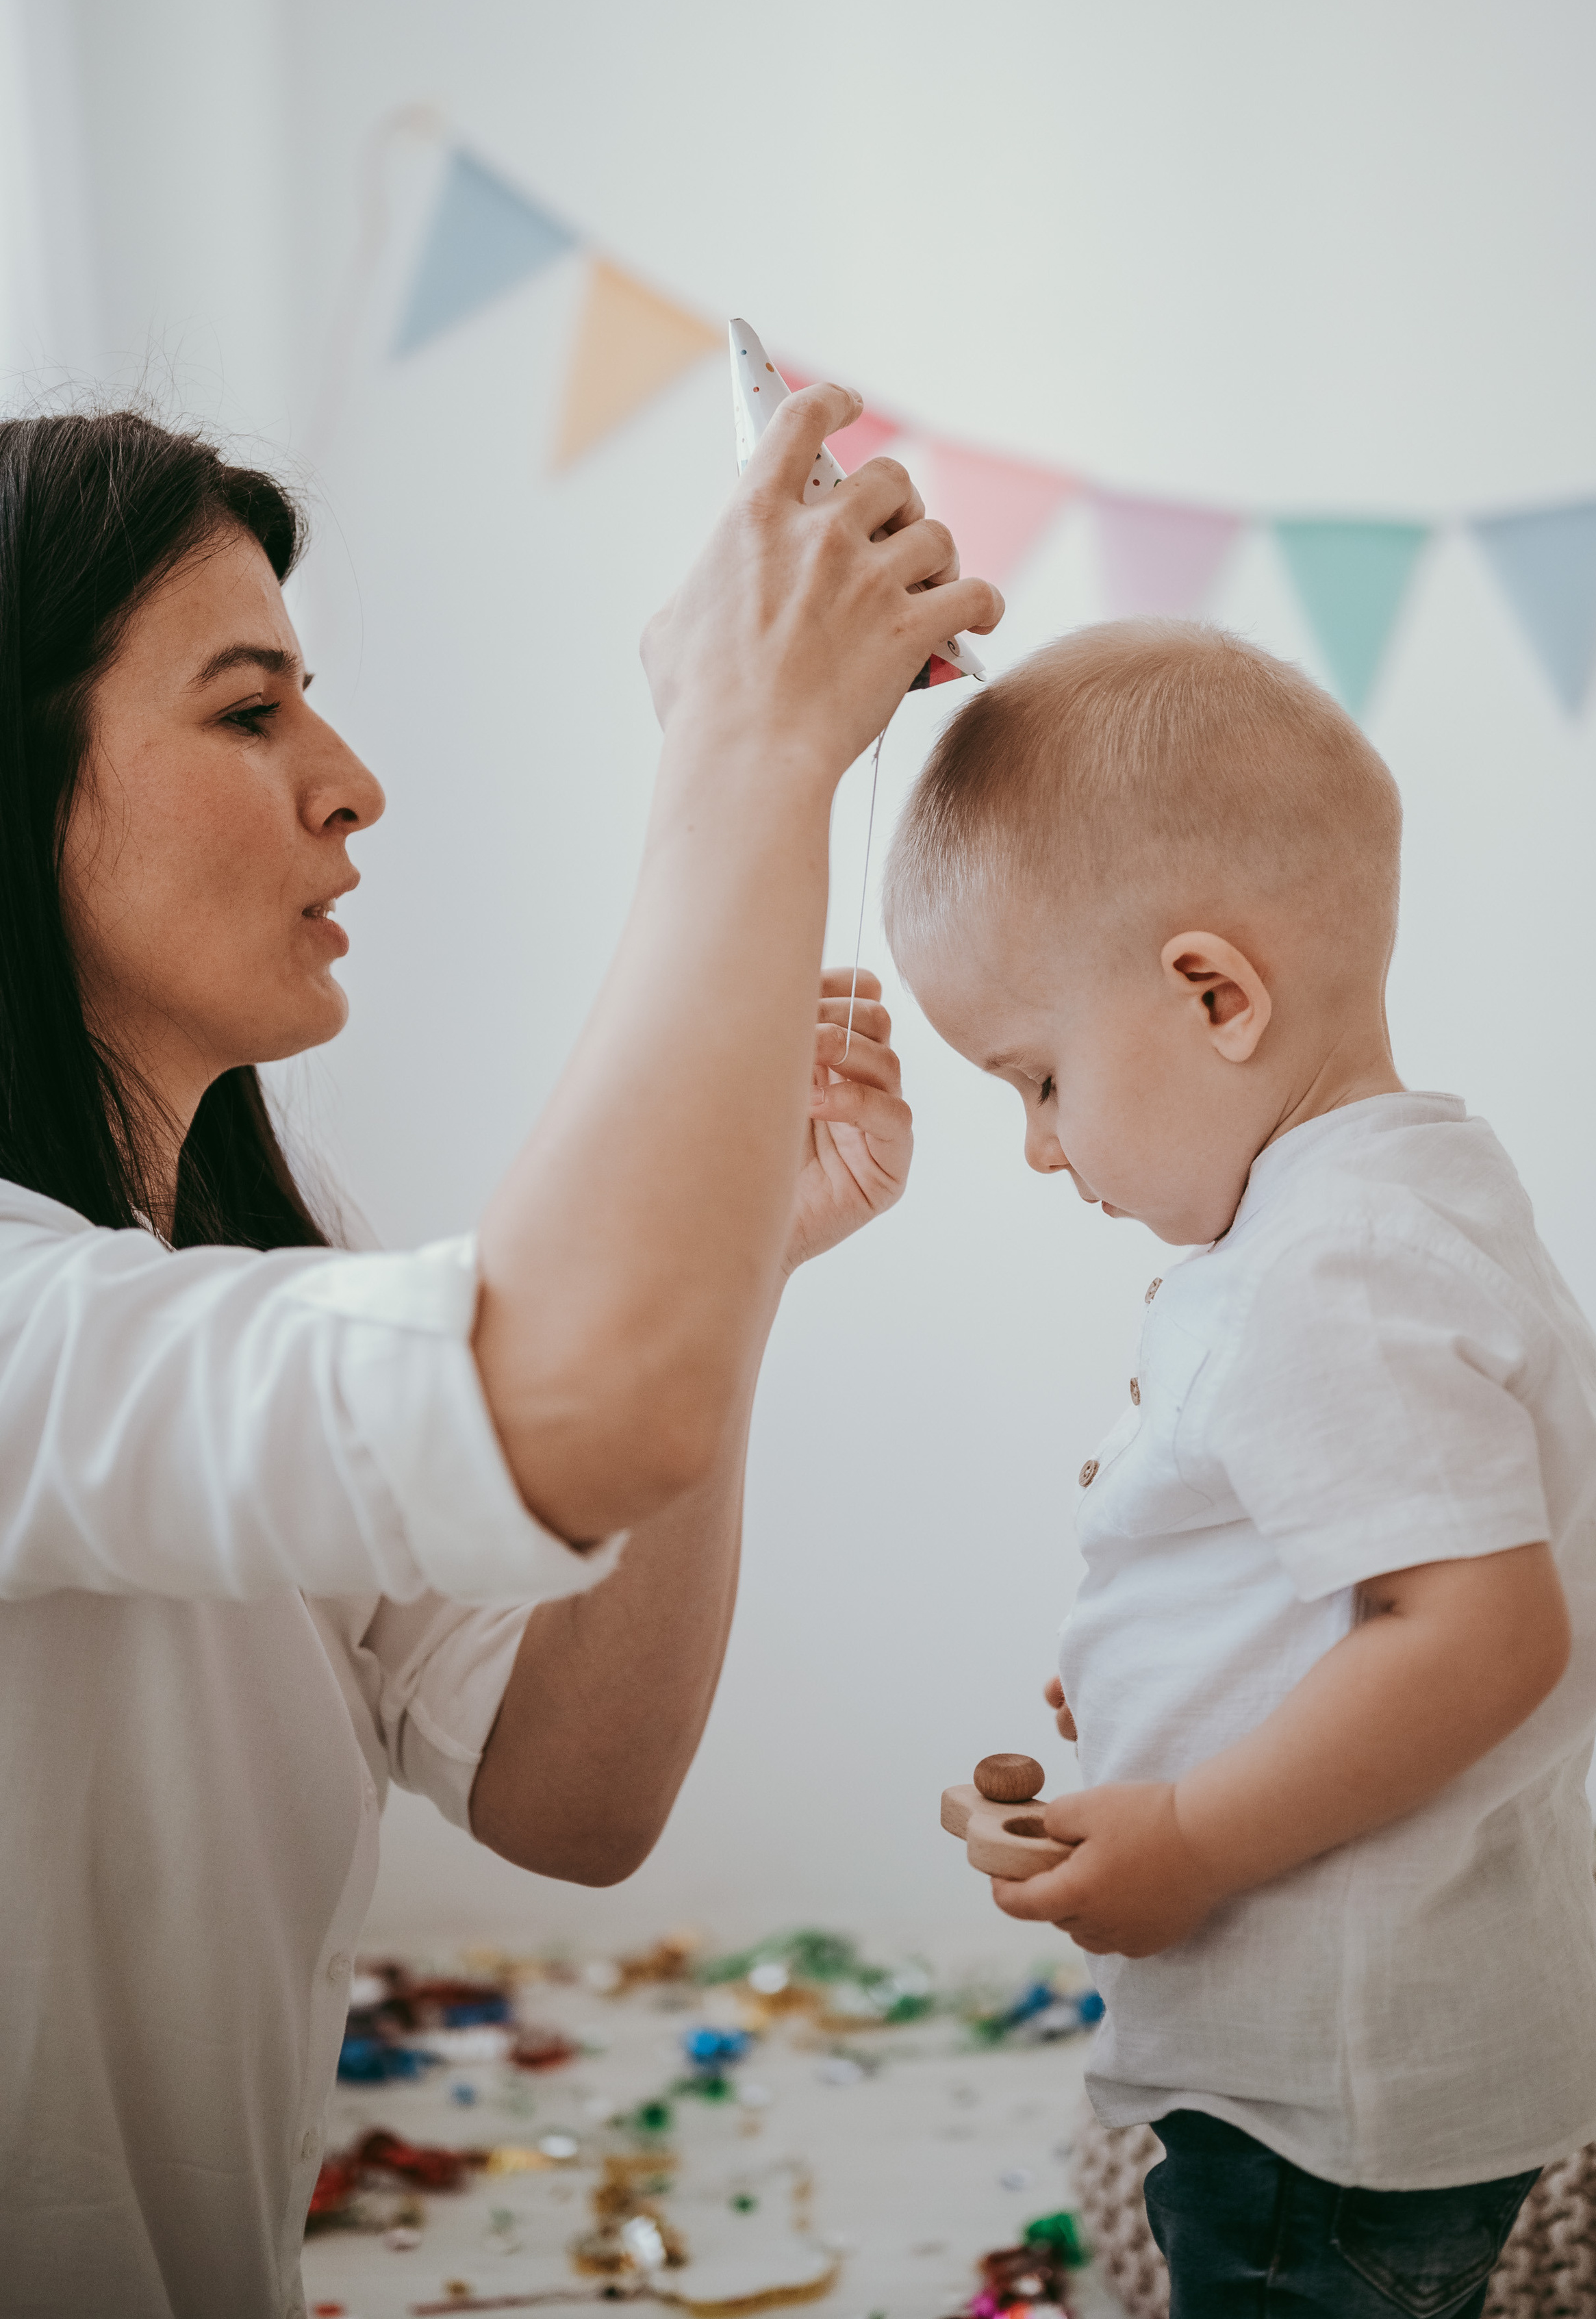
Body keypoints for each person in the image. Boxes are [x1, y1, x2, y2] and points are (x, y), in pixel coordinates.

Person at [0, 396, 1000, 2318]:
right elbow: (572, 1385)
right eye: (246, 709)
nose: (351, 779)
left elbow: (572, 1795)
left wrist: (743, 1264)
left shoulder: (280, 1246)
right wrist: (746, 744)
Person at [883, 620, 1596, 2319]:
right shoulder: (1393, 1204)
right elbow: (1351, 1580)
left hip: (1325, 2094)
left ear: (1211, 994)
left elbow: (1473, 1632)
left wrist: (1190, 1833)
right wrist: (1175, 1685)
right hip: (1359, 2064)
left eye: (1038, 1078)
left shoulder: (1331, 1266)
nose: (1035, 1146)